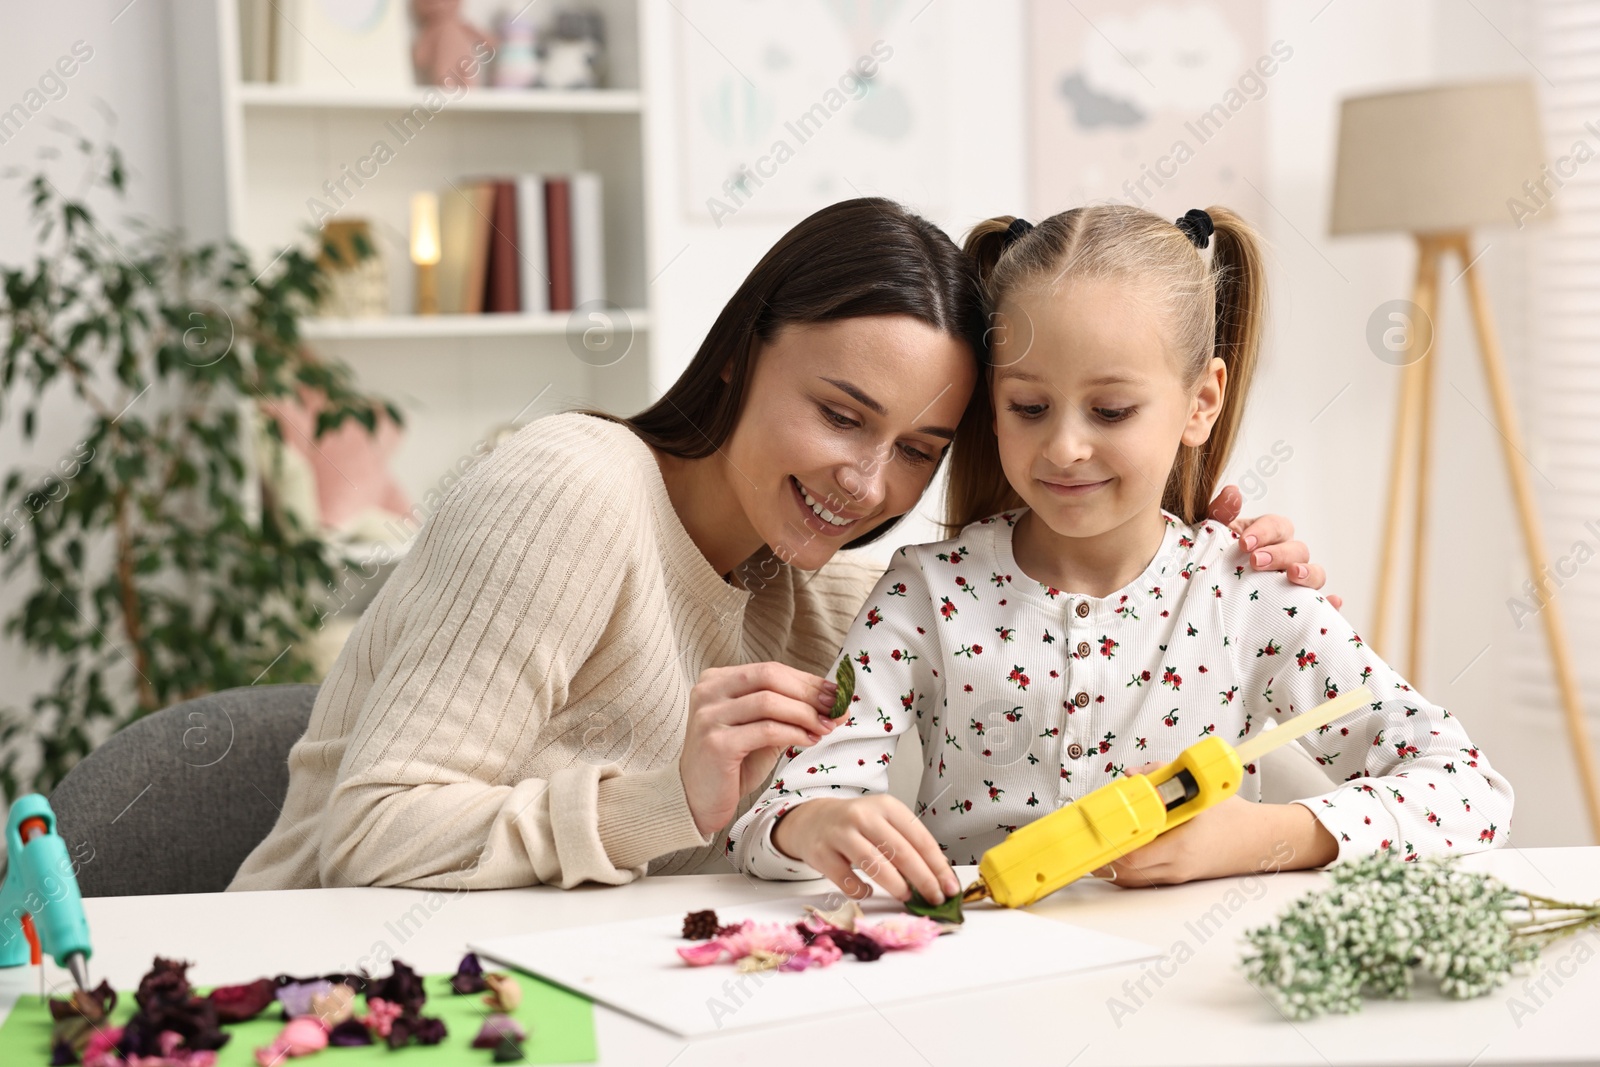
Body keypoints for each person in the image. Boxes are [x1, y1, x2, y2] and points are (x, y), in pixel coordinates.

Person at [228, 199, 1328, 892]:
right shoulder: (567, 489)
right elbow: (367, 839)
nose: (866, 482)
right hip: (329, 990)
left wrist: (1193, 572)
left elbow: (1034, 633)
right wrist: (673, 799)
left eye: (917, 447)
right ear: (740, 353)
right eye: (842, 414)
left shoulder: (819, 587)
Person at [728, 205, 1513, 905]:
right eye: (1028, 406)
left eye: (1111, 409)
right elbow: (773, 821)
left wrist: (1261, 836)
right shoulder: (924, 593)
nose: (1065, 446)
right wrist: (818, 821)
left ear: (1200, 402)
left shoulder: (1250, 593)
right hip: (974, 984)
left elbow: (1469, 789)